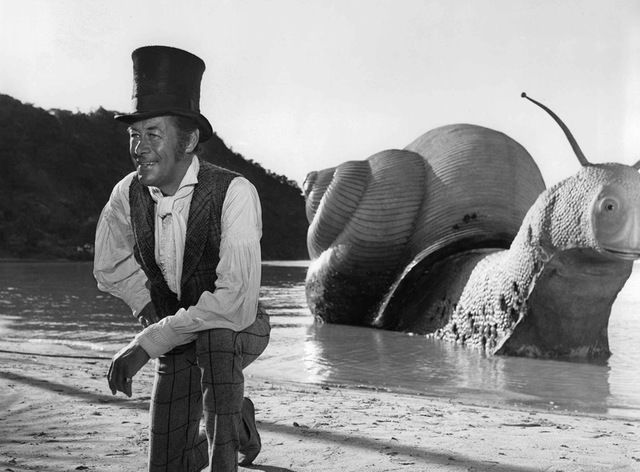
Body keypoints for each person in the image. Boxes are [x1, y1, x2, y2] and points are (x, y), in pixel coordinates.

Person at [93, 45, 270, 472]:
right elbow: (109, 265)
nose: (139, 148)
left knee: (216, 338)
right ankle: (239, 423)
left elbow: (233, 303)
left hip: (240, 326)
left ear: (188, 141)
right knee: (168, 465)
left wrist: (147, 342)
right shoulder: (126, 193)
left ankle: (225, 462)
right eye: (134, 135)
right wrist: (149, 308)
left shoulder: (236, 193)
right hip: (176, 334)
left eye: (152, 134)